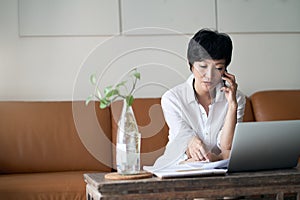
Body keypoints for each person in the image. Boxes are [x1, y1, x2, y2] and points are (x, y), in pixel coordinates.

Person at [152, 29, 246, 170]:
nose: (209, 76)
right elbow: (190, 144)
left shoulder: (237, 98)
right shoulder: (172, 99)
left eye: (218, 68)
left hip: (220, 170)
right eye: (202, 66)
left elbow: (227, 146)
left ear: (226, 69)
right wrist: (217, 156)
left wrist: (232, 106)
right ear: (191, 64)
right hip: (179, 169)